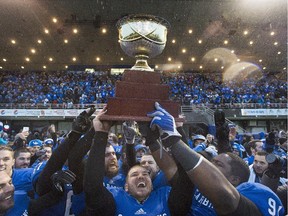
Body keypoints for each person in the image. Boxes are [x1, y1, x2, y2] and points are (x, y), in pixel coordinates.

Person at [147, 102, 284, 216]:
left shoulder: (235, 201)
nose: (209, 165)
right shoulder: (196, 183)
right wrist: (152, 141)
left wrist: (173, 139)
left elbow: (225, 197)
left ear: (234, 180)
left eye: (217, 164)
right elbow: (170, 168)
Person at [84, 106, 192, 216]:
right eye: (134, 174)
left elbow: (187, 180)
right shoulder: (115, 199)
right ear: (126, 186)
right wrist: (101, 134)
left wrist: (177, 131)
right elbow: (92, 188)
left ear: (152, 185)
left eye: (145, 174)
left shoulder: (165, 196)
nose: (141, 176)